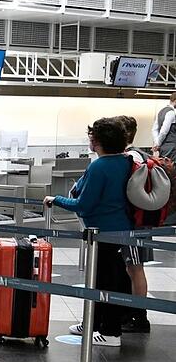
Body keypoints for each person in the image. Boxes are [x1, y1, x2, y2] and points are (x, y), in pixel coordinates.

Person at [44, 117, 133, 346]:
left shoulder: (100, 166)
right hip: (121, 228)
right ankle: (95, 323)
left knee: (103, 281)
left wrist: (56, 199)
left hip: (102, 230)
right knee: (110, 277)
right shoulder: (125, 161)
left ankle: (110, 332)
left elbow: (84, 204)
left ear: (97, 140)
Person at [118, 115, 153, 333]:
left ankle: (139, 317)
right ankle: (133, 312)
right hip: (142, 220)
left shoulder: (130, 157)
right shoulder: (140, 154)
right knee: (131, 267)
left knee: (134, 267)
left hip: (134, 223)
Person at [152, 92, 176, 160]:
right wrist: (158, 144)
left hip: (163, 149)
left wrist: (156, 143)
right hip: (172, 149)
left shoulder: (160, 111)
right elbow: (164, 131)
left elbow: (154, 129)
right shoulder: (171, 113)